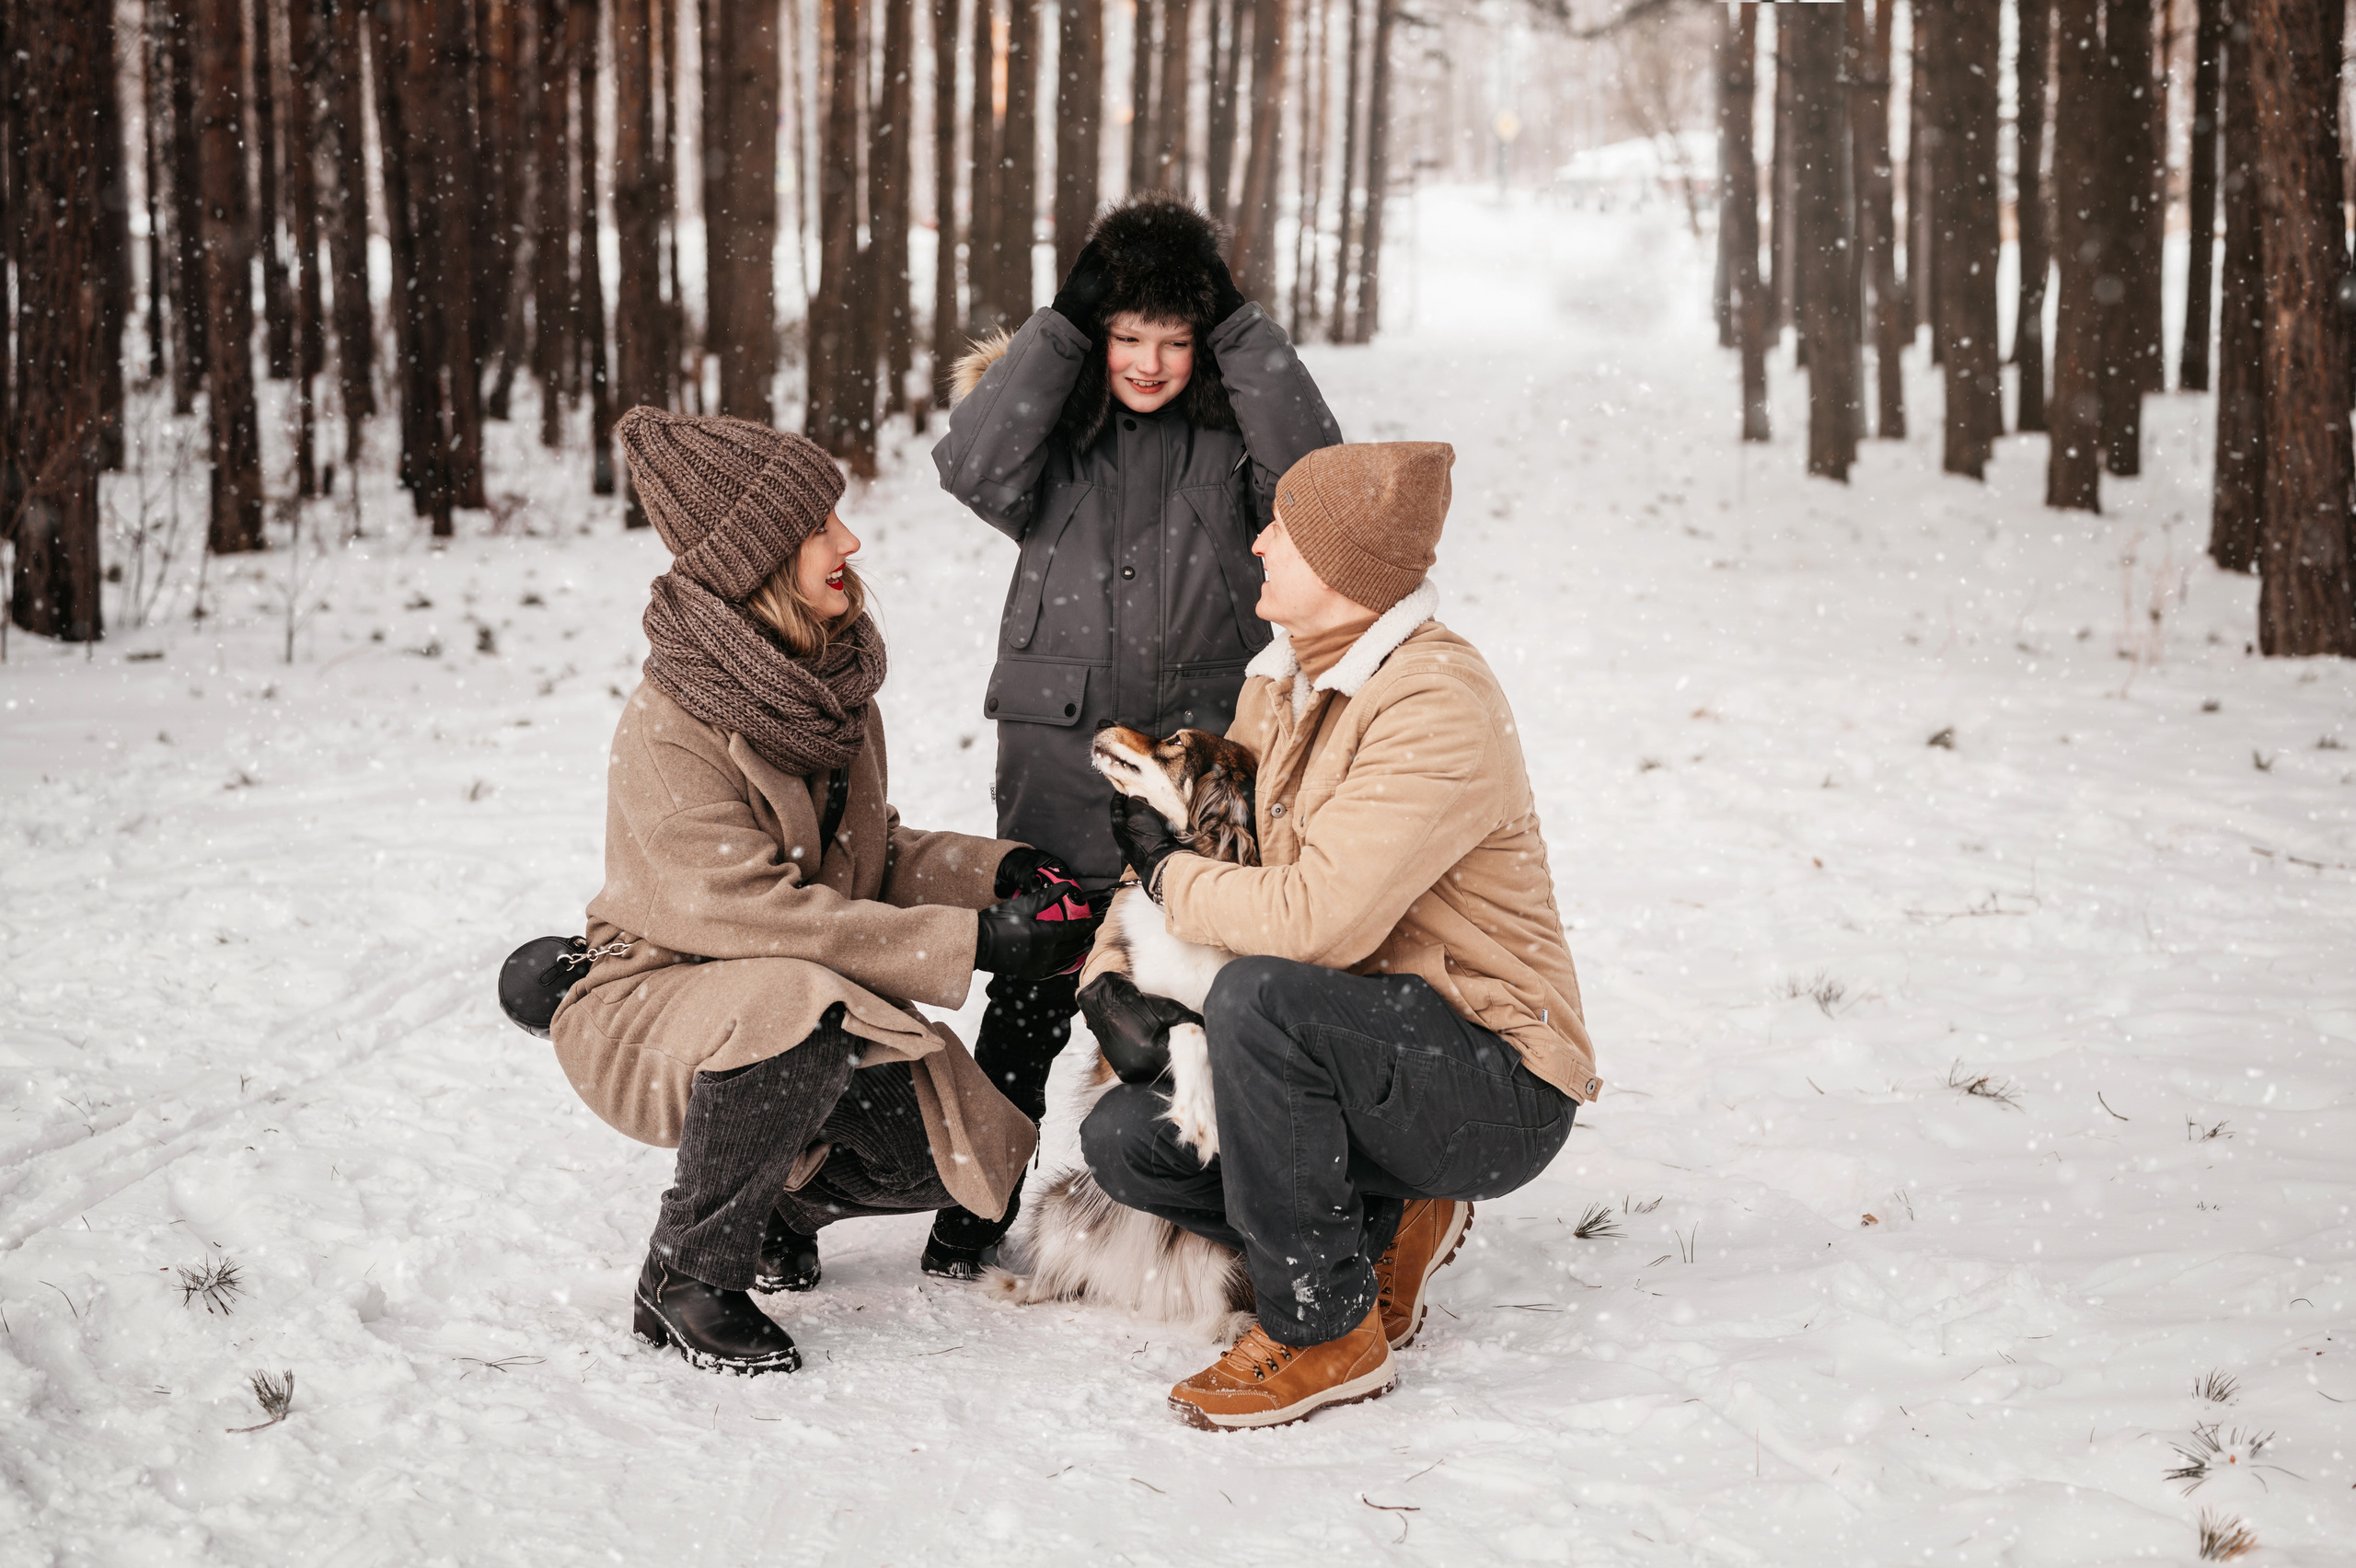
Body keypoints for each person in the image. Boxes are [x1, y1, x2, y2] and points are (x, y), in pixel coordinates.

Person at [549, 408, 1101, 1375]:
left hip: (788, 996)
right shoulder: (672, 722)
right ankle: (686, 1278)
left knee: (948, 1158)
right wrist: (975, 945)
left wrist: (996, 870)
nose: (846, 542)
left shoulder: (824, 683)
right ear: (755, 559)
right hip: (659, 993)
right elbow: (754, 912)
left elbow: (867, 851)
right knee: (794, 1004)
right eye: (816, 527)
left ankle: (769, 1209)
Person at [1075, 442, 1601, 1430]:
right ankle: (1384, 1224)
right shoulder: (1278, 685)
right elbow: (1207, 851)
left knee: (1260, 996)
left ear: (1346, 571)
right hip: (1352, 1048)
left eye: (1286, 529)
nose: (1261, 538)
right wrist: (1109, 978)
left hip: (1489, 1074)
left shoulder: (1434, 702)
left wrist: (1163, 874)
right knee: (1127, 1142)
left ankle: (1323, 1330)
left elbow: (1316, 918)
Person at [929, 193, 1344, 1267]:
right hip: (1058, 763)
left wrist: (1243, 327)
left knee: (1181, 995)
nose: (1150, 364)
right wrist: (1061, 326)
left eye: (1175, 338)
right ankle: (972, 1208)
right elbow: (968, 467)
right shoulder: (1051, 437)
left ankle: (1171, 1214)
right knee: (1028, 1000)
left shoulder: (1233, 443)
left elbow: (1315, 478)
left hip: (1191, 773)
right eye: (1125, 336)